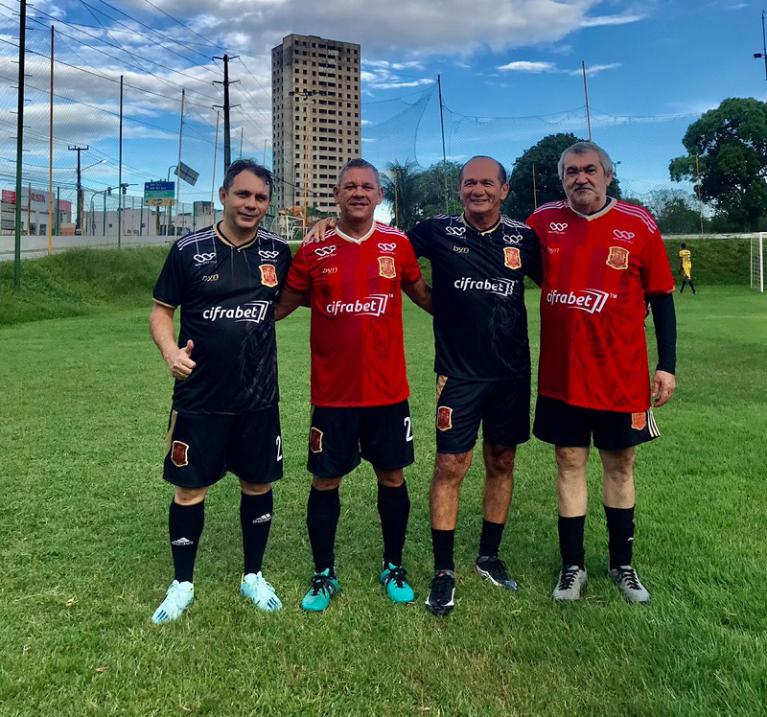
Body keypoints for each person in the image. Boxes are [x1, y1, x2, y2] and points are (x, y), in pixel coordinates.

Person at [305, 156, 542, 617]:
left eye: (487, 183)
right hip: (457, 370)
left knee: (502, 460)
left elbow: (560, 284)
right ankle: (443, 570)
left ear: (504, 190)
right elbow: (373, 240)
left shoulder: (524, 237)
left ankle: (489, 556)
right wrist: (330, 223)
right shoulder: (435, 231)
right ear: (459, 188)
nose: (478, 190)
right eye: (469, 182)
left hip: (511, 370)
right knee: (450, 464)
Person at [276, 158, 432, 612]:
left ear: (379, 195)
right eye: (350, 186)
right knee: (326, 479)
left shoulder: (397, 244)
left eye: (367, 186)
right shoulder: (314, 249)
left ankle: (393, 565)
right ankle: (323, 573)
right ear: (337, 195)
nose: (359, 193)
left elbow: (425, 297)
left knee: (392, 476)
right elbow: (281, 306)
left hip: (388, 392)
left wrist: (474, 314)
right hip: (334, 394)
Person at [526, 141, 677, 604]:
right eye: (571, 172)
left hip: (620, 375)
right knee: (569, 462)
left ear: (608, 176)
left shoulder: (639, 223)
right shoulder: (541, 222)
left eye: (590, 170)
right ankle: (572, 567)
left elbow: (662, 299)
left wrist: (667, 365)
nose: (581, 178)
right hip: (563, 376)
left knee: (620, 464)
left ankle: (621, 565)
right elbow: (503, 253)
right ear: (562, 179)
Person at [149, 160, 291, 624]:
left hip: (258, 397)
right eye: (243, 194)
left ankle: (253, 575)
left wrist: (323, 227)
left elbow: (293, 297)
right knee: (190, 489)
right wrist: (170, 352)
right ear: (223, 195)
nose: (251, 204)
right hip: (200, 398)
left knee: (258, 484)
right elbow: (161, 312)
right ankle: (182, 583)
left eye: (261, 197)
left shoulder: (277, 251)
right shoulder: (188, 250)